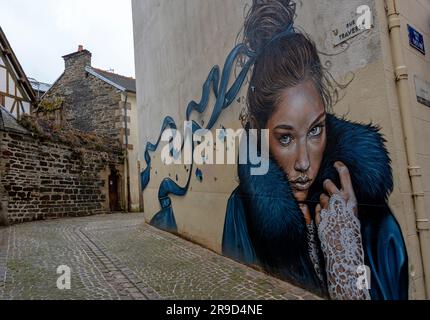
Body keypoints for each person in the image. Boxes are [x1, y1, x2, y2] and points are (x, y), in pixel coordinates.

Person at [222, 0, 408, 300]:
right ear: (260, 132)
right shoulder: (243, 212)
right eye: (285, 138)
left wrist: (346, 251)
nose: (304, 163)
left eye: (315, 130)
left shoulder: (372, 216)